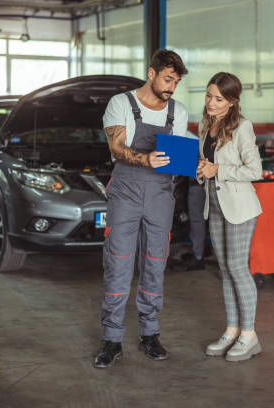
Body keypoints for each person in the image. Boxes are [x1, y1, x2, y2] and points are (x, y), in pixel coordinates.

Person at [94, 50, 189, 369]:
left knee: (154, 262)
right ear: (151, 73)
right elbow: (117, 149)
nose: (171, 87)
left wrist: (195, 163)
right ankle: (111, 338)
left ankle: (149, 333)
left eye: (176, 81)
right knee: (119, 261)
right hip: (126, 190)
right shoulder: (121, 104)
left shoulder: (179, 111)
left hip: (161, 192)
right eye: (167, 79)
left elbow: (178, 158)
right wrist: (145, 158)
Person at [196, 72, 263, 362]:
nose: (211, 102)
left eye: (219, 99)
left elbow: (255, 171)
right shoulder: (205, 125)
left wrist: (218, 171)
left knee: (237, 267)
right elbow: (207, 166)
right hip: (216, 205)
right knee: (224, 268)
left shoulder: (242, 127)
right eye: (209, 95)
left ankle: (249, 335)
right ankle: (232, 329)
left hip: (240, 208)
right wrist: (202, 172)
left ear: (232, 102)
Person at [173, 178, 207, 271]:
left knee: (197, 216)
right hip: (202, 178)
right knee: (197, 216)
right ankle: (198, 251)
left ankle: (197, 256)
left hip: (201, 178)